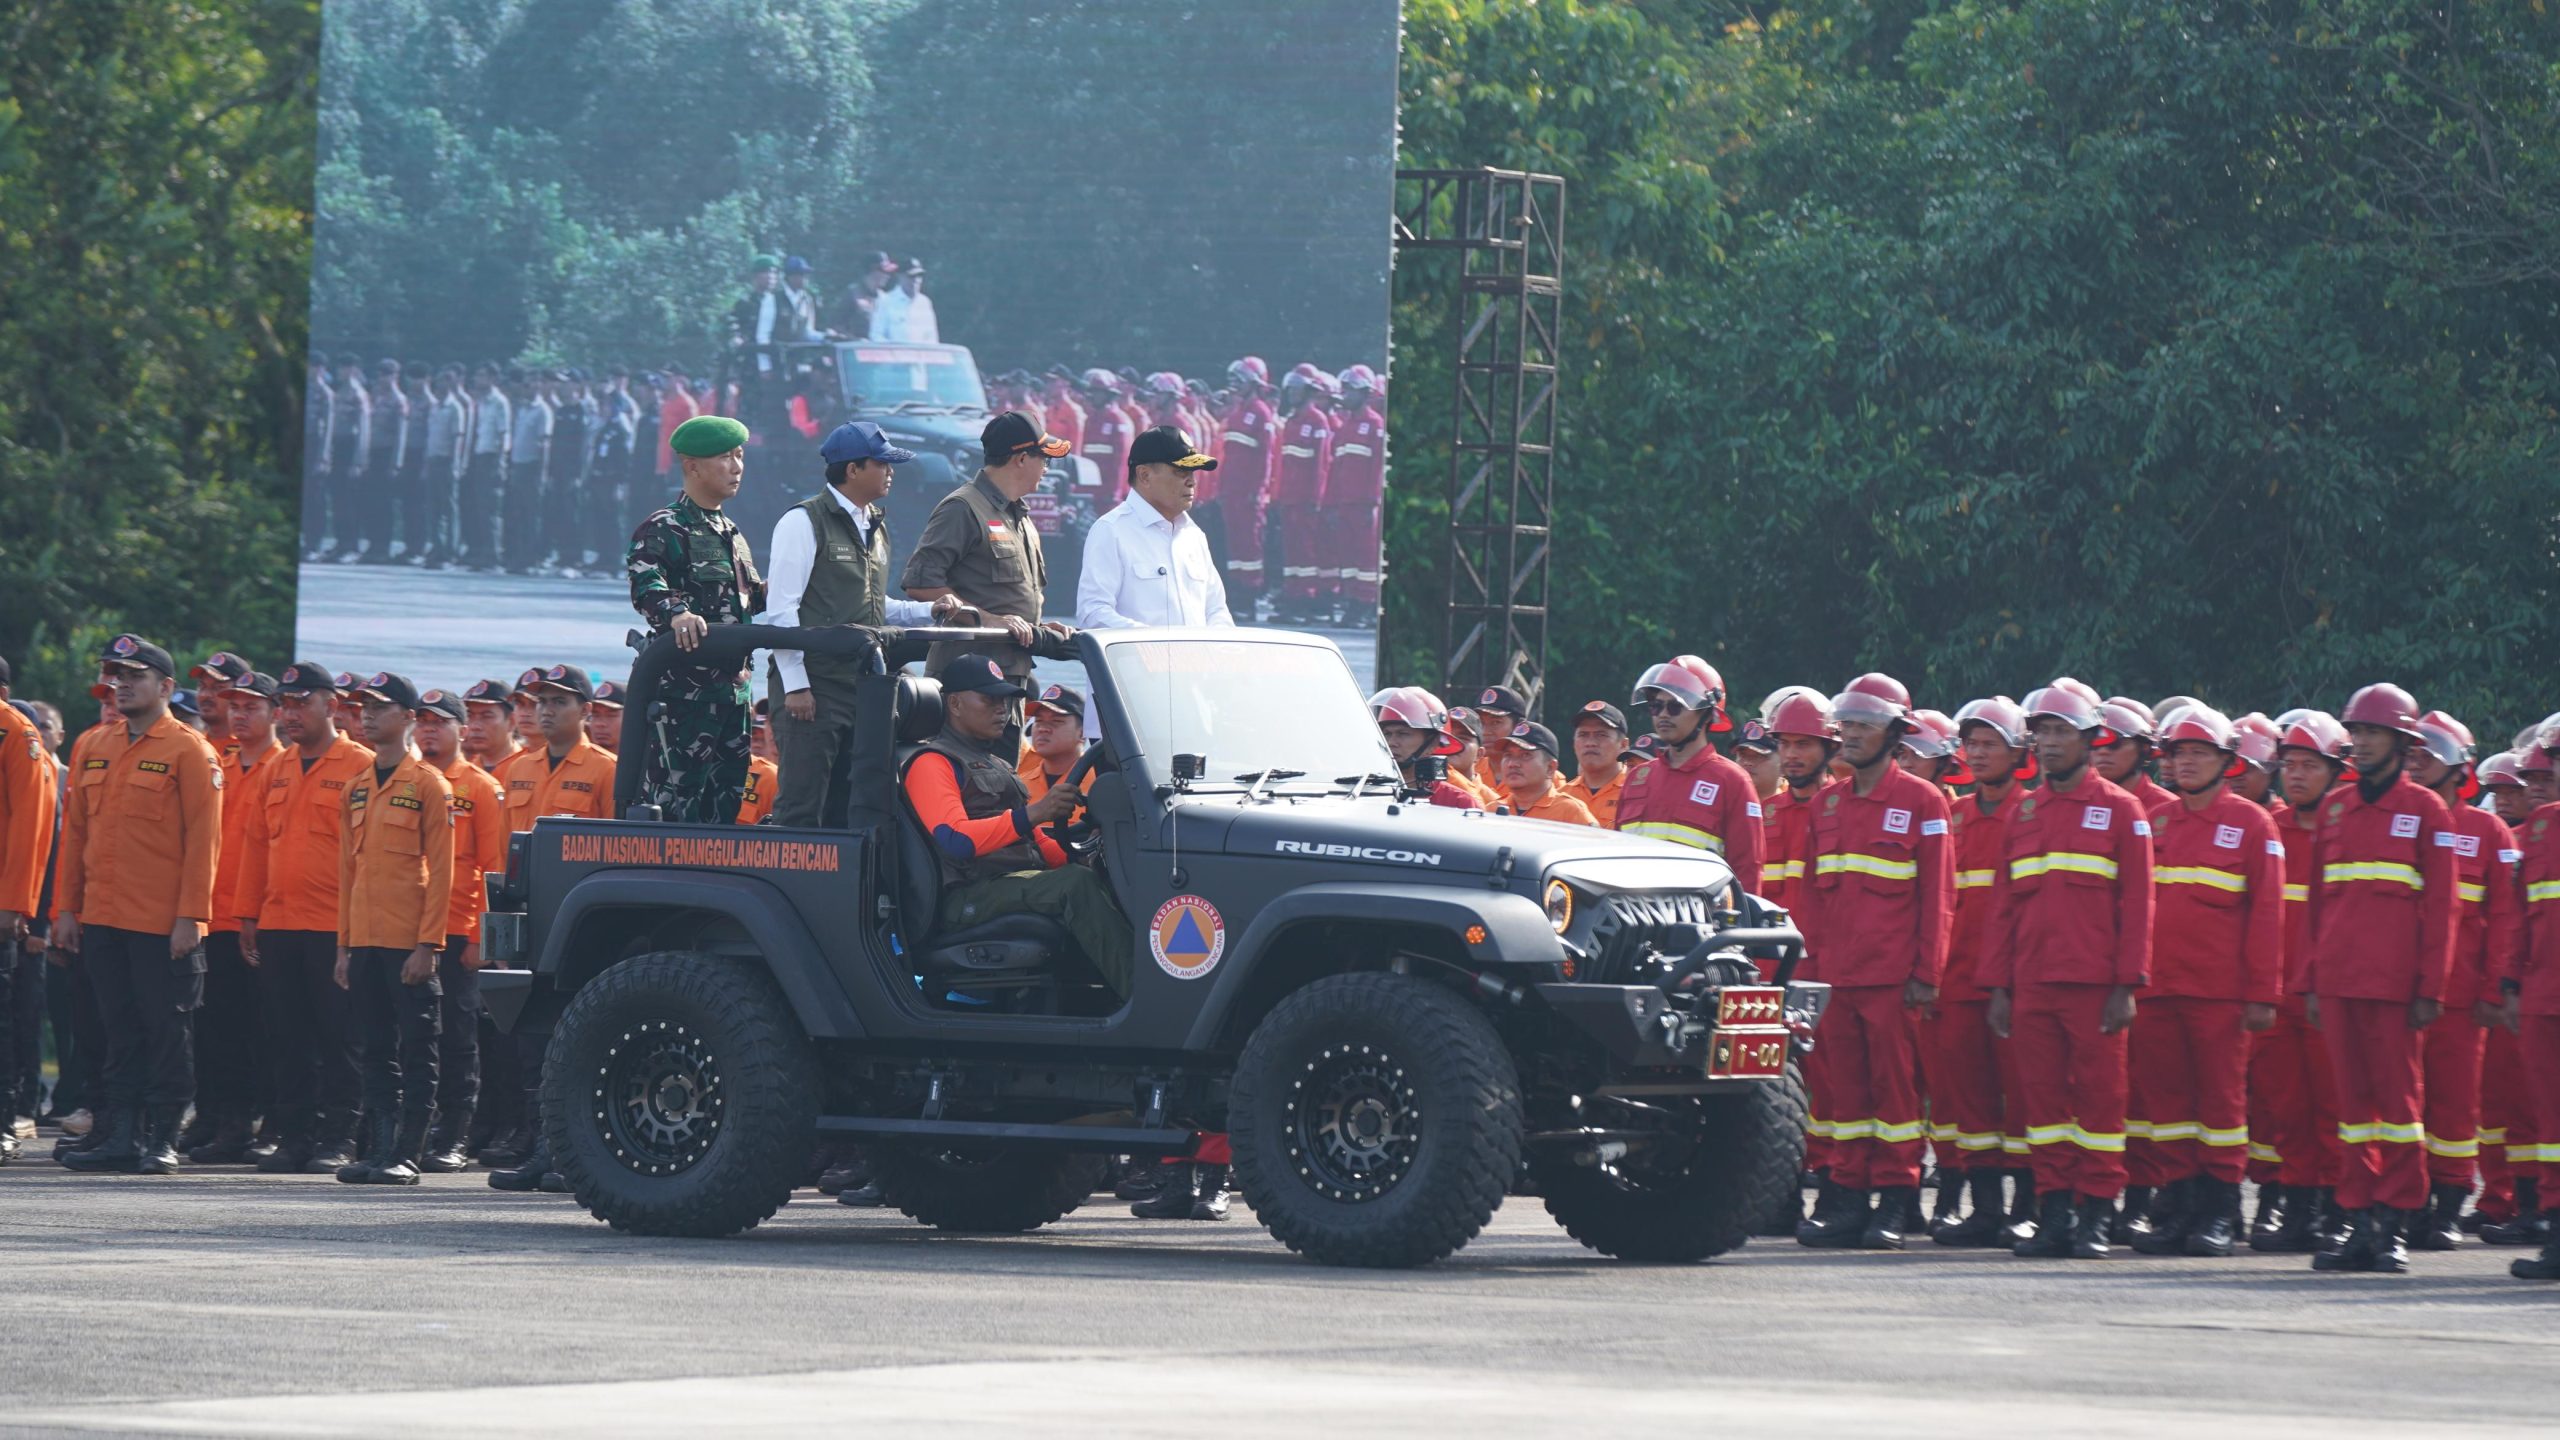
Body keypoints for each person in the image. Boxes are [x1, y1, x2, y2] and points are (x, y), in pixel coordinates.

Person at [1984, 684, 2154, 1259]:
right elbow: (2004, 905)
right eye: (2044, 732)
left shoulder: (2122, 810)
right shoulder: (2025, 812)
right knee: (2044, 1103)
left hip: (2094, 986)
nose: (2051, 743)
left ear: (2088, 739)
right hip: (2031, 985)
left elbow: (2138, 904)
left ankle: (2098, 1214)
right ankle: (2054, 1213)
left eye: (2062, 732)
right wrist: (1999, 986)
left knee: (2101, 1103)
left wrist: (2128, 984)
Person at [2301, 683, 2458, 1274]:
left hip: (2395, 987)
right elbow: (2317, 903)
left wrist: (2431, 989)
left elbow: (2444, 907)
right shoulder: (2337, 808)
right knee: (2352, 1110)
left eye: (2371, 732)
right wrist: (2312, 981)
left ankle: (2393, 1224)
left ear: (2400, 741)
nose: (2361, 742)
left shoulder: (2426, 810)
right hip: (2340, 981)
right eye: (2357, 733)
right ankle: (2359, 1221)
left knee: (2398, 1110)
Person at [1792, 674, 1952, 1250]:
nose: (1853, 734)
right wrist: (1808, 974)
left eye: (1866, 725)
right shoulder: (1828, 803)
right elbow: (1812, 898)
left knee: (1896, 1098)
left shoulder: (1922, 801)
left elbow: (1938, 897)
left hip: (1892, 981)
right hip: (1836, 979)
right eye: (1849, 724)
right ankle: (1847, 1198)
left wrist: (1926, 975)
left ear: (1895, 732)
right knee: (1845, 1097)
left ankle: (1896, 1201)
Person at [2118, 705, 2284, 1256]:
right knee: (2168, 1106)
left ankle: (2219, 1211)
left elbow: (2266, 914)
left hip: (2221, 995)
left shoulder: (2253, 822)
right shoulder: (2158, 821)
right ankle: (2179, 1207)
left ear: (2226, 761)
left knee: (2220, 1105)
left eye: (2199, 753)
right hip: (2158, 990)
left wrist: (2263, 993)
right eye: (2178, 753)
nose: (2185, 763)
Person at [53, 636, 221, 1175]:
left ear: (166, 687)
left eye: (134, 675)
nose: (121, 683)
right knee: (115, 1029)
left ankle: (162, 1137)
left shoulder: (190, 749)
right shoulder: (92, 745)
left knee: (165, 1030)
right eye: (114, 674)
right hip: (103, 916)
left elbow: (204, 840)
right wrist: (66, 909)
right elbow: (76, 835)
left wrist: (191, 916)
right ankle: (120, 1134)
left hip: (160, 922)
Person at [903, 655, 1131, 997]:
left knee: (1097, 876)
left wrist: (1090, 859)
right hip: (967, 895)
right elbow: (956, 839)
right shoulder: (932, 762)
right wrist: (1035, 813)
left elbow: (1037, 842)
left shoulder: (996, 764)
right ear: (954, 703)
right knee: (1074, 885)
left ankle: (1101, 1002)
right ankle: (1149, 1003)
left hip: (1010, 884)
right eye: (989, 699)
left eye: (1006, 700)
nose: (1003, 709)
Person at [766, 420, 945, 829]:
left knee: (849, 807)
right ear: (852, 469)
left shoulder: (874, 527)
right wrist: (796, 685)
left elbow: (870, 605)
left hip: (862, 686)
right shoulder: (803, 521)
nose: (890, 471)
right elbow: (781, 611)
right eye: (881, 463)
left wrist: (929, 610)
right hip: (816, 686)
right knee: (801, 806)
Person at [232, 664, 373, 1173]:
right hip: (279, 924)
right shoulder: (278, 767)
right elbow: (255, 844)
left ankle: (340, 1138)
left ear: (331, 706)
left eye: (301, 703)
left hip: (335, 927)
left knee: (340, 1039)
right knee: (287, 1038)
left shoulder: (361, 763)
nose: (291, 714)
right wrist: (247, 913)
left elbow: (370, 855)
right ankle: (296, 1137)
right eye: (285, 704)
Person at [489, 665, 617, 1194]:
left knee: (577, 1046)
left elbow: (618, 855)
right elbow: (499, 857)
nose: (545, 710)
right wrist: (496, 933)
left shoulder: (607, 770)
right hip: (526, 922)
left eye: (559, 702)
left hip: (581, 931)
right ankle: (541, 1151)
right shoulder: (516, 770)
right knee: (530, 1047)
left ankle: (571, 1155)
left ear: (586, 712)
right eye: (540, 701)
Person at [2403, 709, 2521, 1250]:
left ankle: (2447, 1206)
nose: (2417, 767)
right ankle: (2406, 1203)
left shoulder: (2488, 831)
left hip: (2460, 1000)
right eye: (2413, 757)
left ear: (2458, 768)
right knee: (2404, 1105)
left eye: (2428, 759)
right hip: (2398, 995)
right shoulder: (2392, 820)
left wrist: (2495, 988)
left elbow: (2504, 918)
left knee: (2452, 1107)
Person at [330, 674, 453, 1185]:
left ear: (409, 718)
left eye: (380, 707)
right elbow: (347, 872)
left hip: (408, 941)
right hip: (364, 939)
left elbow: (442, 870)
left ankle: (408, 1151)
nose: (368, 715)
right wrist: (343, 946)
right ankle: (378, 1149)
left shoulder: (428, 784)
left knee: (417, 1048)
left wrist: (428, 944)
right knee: (375, 1046)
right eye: (363, 708)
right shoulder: (356, 788)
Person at [1930, 696, 2039, 1246]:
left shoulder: (2035, 812)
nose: (1977, 753)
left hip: (2012, 983)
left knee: (2021, 1095)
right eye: (1970, 743)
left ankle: (2027, 1204)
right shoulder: (1953, 815)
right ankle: (1985, 1207)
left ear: (2019, 751)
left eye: (1989, 743)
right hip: (1956, 980)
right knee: (1968, 1097)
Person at [628, 414, 767, 823]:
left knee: (725, 809)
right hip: (685, 700)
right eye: (726, 457)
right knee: (675, 808)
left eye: (740, 456)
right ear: (692, 466)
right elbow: (645, 584)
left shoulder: (731, 532)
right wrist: (677, 613)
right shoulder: (664, 527)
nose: (737, 466)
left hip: (734, 696)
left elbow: (749, 599)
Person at [2249, 710, 2353, 1252]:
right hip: (2278, 994)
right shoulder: (2271, 830)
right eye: (2289, 764)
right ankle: (2299, 1208)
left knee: (2335, 1106)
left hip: (2329, 996)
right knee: (2286, 1107)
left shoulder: (2351, 829)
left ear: (2337, 770)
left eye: (2309, 765)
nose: (2296, 775)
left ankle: (2341, 1212)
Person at [901, 411, 1070, 686]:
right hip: (967, 683)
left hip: (1011, 673)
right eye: (1045, 458)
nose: (1047, 467)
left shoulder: (1019, 517)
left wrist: (1039, 630)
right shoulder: (962, 508)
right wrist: (989, 620)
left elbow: (1004, 600)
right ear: (1022, 458)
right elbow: (920, 584)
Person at [189, 671, 283, 1163]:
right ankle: (225, 1120)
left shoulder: (283, 766)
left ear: (274, 712)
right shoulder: (220, 764)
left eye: (251, 706)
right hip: (215, 916)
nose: (240, 714)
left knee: (266, 1029)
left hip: (266, 920)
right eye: (234, 706)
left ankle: (269, 1122)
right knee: (219, 1029)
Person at [414, 687, 504, 1172]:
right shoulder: (409, 781)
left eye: (439, 721)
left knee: (457, 1039)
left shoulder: (481, 787)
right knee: (415, 1037)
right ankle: (418, 1130)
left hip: (457, 932)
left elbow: (493, 869)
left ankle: (454, 1135)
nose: (429, 729)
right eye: (423, 721)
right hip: (409, 930)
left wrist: (479, 939)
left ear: (461, 730)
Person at [1615, 657, 1767, 894]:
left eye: (1675, 705)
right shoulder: (1637, 779)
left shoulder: (1732, 782)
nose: (1663, 714)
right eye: (1656, 705)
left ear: (1707, 713)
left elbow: (1747, 875)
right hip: (1634, 922)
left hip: (1700, 925)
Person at [1075, 426, 1235, 631]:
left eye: (1192, 473)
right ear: (1144, 476)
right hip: (1140, 661)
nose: (1192, 481)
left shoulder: (1194, 535)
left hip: (1196, 661)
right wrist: (1154, 643)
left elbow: (1216, 610)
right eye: (1180, 472)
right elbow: (1093, 613)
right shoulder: (1111, 530)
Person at [2503, 718, 2560, 1281]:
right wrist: (2511, 984)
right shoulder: (2540, 829)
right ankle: (2556, 1233)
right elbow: (2520, 918)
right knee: (2551, 1123)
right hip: (2544, 996)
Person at [0, 656, 58, 1165]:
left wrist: (16, 905)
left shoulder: (15, 733)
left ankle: (2, 1122)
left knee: (6, 1022)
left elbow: (32, 828)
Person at [1759, 688, 1838, 914]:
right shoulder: (1765, 815)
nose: (1791, 754)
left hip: (1822, 947)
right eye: (1784, 743)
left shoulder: (1846, 810)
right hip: (1767, 946)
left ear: (1830, 748)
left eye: (1803, 744)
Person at [1267, 368, 1335, 623]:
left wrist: (1315, 499)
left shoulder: (1317, 421)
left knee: (1305, 553)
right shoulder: (1292, 421)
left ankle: (1304, 601)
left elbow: (1321, 465)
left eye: (1297, 389)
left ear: (1308, 391)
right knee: (1292, 552)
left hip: (1306, 500)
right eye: (1291, 389)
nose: (1292, 393)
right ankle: (1292, 598)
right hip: (1289, 499)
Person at [1213, 358, 1276, 612]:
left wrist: (1257, 490)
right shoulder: (1237, 413)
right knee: (1235, 546)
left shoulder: (1261, 412)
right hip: (1232, 493)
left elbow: (1265, 458)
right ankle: (1237, 594)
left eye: (1241, 379)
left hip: (1248, 494)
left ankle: (1249, 597)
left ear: (1254, 383)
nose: (1235, 384)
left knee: (1250, 547)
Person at [1326, 366, 1387, 624]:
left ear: (1365, 392)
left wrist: (1372, 501)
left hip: (1363, 504)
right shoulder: (1344, 427)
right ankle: (1352, 601)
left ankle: (1365, 604)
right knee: (1348, 557)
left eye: (1350, 390)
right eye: (1344, 389)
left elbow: (1377, 469)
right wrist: (1329, 503)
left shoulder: (1375, 425)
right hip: (1343, 504)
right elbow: (1334, 469)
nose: (1345, 395)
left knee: (1365, 558)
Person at [1370, 688, 1474, 809]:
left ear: (1432, 744)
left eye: (1403, 734)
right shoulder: (1365, 793)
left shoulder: (1459, 803)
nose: (1391, 742)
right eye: (1387, 734)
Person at [1494, 723, 1597, 826]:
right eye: (1508, 755)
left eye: (1525, 755)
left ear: (1550, 768)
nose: (1513, 764)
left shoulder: (1571, 812)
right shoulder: (1492, 810)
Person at [503, 369, 553, 573]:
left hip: (533, 467)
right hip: (518, 464)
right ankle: (518, 556)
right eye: (526, 384)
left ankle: (531, 558)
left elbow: (544, 444)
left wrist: (542, 473)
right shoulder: (522, 409)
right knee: (518, 513)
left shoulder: (542, 410)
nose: (528, 388)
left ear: (539, 386)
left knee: (532, 515)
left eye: (533, 384)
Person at [1018, 685, 1090, 810]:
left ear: (1082, 733)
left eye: (1056, 721)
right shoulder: (1020, 785)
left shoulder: (1100, 783)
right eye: (1039, 721)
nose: (1043, 728)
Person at [1565, 701, 1630, 829]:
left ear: (1623, 745)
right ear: (1574, 744)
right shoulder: (1563, 796)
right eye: (1583, 735)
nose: (1590, 743)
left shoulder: (1636, 794)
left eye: (1601, 735)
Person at [873, 257, 937, 342]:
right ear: (900, 276)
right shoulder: (886, 302)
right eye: (911, 276)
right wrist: (894, 349)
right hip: (893, 354)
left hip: (922, 354)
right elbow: (876, 336)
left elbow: (932, 338)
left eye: (919, 276)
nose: (916, 280)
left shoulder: (925, 303)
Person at [586, 680, 625, 755]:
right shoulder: (574, 761)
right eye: (595, 715)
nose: (600, 723)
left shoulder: (648, 762)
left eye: (611, 716)